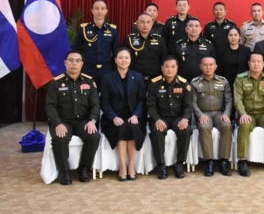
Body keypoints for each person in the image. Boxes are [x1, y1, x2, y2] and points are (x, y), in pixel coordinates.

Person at [45, 50, 100, 185]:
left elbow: (95, 104)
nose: (74, 63)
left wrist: (92, 121)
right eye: (71, 60)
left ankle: (84, 169)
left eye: (77, 61)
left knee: (93, 137)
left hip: (83, 121)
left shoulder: (89, 81)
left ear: (82, 64)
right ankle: (64, 172)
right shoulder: (56, 83)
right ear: (65, 63)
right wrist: (57, 123)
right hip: (63, 121)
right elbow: (50, 106)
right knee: (60, 138)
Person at [99, 47, 147, 181]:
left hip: (133, 116)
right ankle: (122, 166)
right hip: (113, 117)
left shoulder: (137, 77)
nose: (123, 60)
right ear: (115, 60)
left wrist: (136, 115)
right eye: (120, 58)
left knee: (132, 127)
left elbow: (142, 100)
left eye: (126, 58)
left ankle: (131, 166)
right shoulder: (107, 78)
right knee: (121, 127)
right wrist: (113, 117)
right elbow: (104, 102)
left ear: (130, 60)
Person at [234, 52, 264, 177]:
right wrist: (242, 114)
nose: (256, 64)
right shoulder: (240, 78)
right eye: (253, 61)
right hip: (248, 114)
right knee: (244, 125)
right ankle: (242, 161)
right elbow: (237, 99)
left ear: (263, 63)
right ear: (249, 63)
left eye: (258, 61)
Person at [147, 56, 193, 179]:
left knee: (186, 130)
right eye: (167, 67)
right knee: (157, 132)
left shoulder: (184, 84)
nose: (170, 69)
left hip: (178, 117)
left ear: (177, 68)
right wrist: (157, 119)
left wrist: (185, 119)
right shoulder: (154, 84)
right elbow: (150, 106)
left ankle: (179, 164)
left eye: (173, 67)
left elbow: (188, 105)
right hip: (161, 117)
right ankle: (161, 165)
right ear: (162, 68)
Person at [191, 57, 233, 177]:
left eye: (211, 65)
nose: (208, 67)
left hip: (219, 113)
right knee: (204, 127)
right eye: (205, 65)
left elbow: (229, 100)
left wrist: (226, 114)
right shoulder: (194, 82)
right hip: (204, 114)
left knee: (227, 126)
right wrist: (200, 115)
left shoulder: (223, 81)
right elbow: (192, 102)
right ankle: (209, 161)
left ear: (215, 66)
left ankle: (224, 161)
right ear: (201, 67)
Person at [72, 0, 119, 86]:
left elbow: (116, 51)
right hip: (87, 69)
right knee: (86, 93)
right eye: (96, 9)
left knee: (105, 93)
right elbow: (76, 50)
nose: (99, 11)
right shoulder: (84, 29)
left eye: (102, 9)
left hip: (106, 69)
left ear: (106, 11)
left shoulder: (112, 30)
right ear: (92, 11)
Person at [124, 12, 168, 84]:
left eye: (148, 22)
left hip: (155, 78)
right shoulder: (129, 39)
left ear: (152, 24)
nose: (145, 25)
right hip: (135, 78)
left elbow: (164, 59)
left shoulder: (159, 40)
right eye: (142, 22)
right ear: (137, 23)